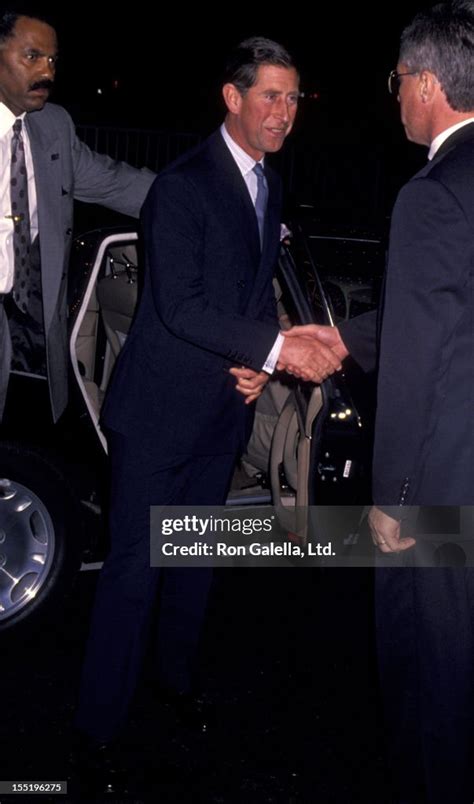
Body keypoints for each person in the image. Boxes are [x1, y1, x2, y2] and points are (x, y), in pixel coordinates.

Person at [74, 36, 338, 784]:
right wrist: (279, 352)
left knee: (193, 556)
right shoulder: (184, 186)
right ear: (233, 97)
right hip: (157, 413)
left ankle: (175, 681)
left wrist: (255, 369)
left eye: (293, 98)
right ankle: (97, 725)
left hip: (220, 407)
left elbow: (251, 294)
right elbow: (180, 306)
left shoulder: (268, 183)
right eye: (270, 96)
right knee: (134, 568)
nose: (284, 113)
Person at [284, 2, 474, 800]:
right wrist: (342, 339)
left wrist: (392, 497)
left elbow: (423, 360)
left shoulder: (430, 193)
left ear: (427, 84)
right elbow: (446, 309)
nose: (395, 95)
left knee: (430, 682)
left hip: (441, 485)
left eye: (399, 80)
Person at [0, 8, 155, 422]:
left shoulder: (52, 126)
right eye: (32, 56)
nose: (46, 71)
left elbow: (115, 182)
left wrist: (202, 200)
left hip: (28, 322)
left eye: (52, 60)